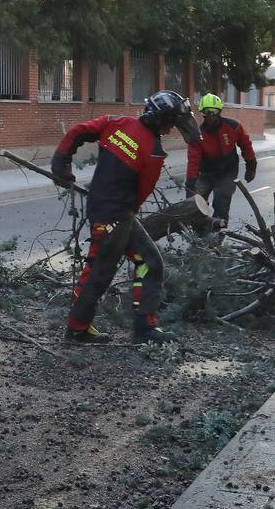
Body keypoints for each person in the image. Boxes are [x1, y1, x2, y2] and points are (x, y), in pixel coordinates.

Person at [49, 90, 199, 345]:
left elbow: (77, 131)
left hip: (106, 210)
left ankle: (142, 328)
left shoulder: (116, 122)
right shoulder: (152, 152)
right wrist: (122, 217)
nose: (171, 129)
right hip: (116, 216)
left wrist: (60, 164)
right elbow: (141, 194)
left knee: (150, 263)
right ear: (160, 119)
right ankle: (77, 330)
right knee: (100, 271)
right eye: (171, 123)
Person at [184, 93, 256, 231]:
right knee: (196, 204)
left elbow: (246, 146)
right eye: (207, 112)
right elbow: (193, 161)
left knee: (222, 201)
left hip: (227, 172)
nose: (211, 116)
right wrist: (191, 185)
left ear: (220, 111)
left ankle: (218, 236)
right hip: (206, 173)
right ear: (202, 114)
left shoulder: (233, 127)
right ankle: (199, 236)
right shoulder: (197, 135)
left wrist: (251, 167)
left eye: (214, 112)